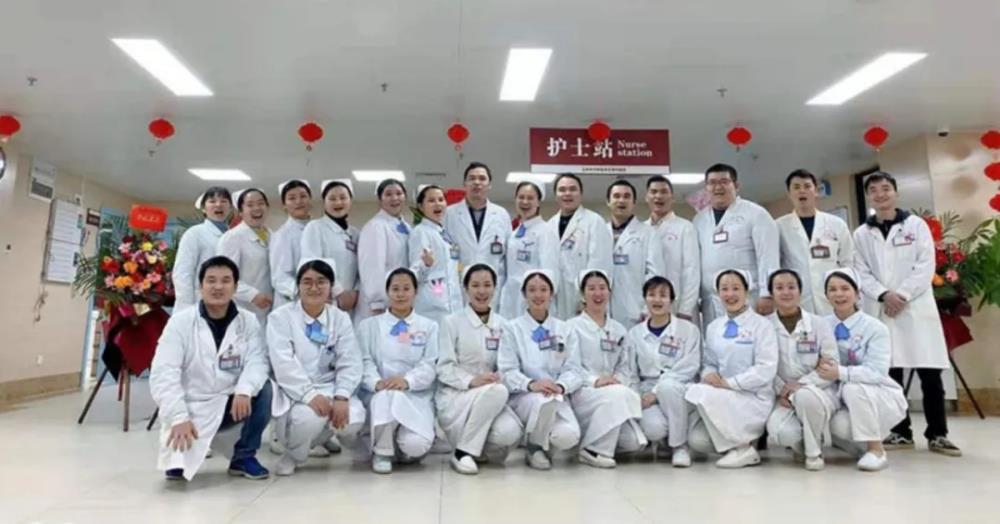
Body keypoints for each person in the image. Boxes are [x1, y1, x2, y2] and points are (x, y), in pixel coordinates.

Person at [852, 172, 961, 456]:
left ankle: (938, 434)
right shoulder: (861, 234)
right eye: (874, 190)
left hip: (915, 308)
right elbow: (860, 271)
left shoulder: (916, 226)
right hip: (882, 308)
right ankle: (900, 432)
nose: (880, 194)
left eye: (885, 188)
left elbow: (926, 265)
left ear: (896, 192)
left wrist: (901, 294)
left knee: (930, 374)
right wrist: (883, 295)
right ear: (868, 196)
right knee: (891, 374)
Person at [150, 256, 271, 481]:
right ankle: (180, 454)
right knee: (177, 468)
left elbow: (258, 361)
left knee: (265, 389)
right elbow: (163, 373)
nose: (218, 287)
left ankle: (244, 457)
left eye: (226, 281)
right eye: (211, 280)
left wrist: (245, 390)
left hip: (230, 401)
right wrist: (178, 416)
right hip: (191, 404)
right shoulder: (181, 323)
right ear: (201, 286)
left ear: (235, 287)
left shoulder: (248, 321)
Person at [267, 258, 366, 476]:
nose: (314, 288)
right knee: (308, 418)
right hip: (295, 391)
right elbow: (283, 363)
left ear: (331, 287)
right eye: (307, 282)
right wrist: (309, 395)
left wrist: (342, 395)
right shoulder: (280, 318)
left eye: (321, 282)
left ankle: (321, 438)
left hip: (331, 387)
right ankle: (294, 455)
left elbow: (350, 361)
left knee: (354, 417)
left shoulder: (340, 318)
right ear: (298, 286)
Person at [436, 264, 523, 475]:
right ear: (466, 289)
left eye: (487, 285)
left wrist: (499, 376)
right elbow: (444, 367)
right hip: (457, 395)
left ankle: (471, 449)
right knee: (497, 391)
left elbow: (509, 365)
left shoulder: (503, 325)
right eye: (475, 285)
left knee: (509, 432)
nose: (482, 291)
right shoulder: (451, 322)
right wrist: (471, 381)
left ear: (495, 287)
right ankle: (463, 452)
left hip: (491, 396)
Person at [685, 269, 778, 468]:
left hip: (753, 397)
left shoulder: (762, 326)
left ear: (747, 291)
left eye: (736, 288)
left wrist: (731, 383)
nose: (730, 294)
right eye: (724, 289)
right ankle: (741, 446)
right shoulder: (714, 327)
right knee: (697, 441)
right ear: (717, 293)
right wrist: (709, 374)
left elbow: (766, 368)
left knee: (698, 392)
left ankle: (743, 447)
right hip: (723, 395)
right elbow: (709, 362)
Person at [821, 268, 908, 471]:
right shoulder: (821, 325)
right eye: (832, 289)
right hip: (841, 396)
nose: (839, 294)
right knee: (839, 426)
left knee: (853, 388)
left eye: (845, 288)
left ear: (858, 293)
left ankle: (876, 450)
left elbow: (877, 372)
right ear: (826, 296)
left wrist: (841, 373)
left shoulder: (875, 328)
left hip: (877, 393)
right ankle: (855, 444)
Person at [498, 269, 583, 470]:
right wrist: (531, 384)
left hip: (556, 395)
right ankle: (534, 447)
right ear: (524, 294)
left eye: (543, 289)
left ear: (552, 294)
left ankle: (543, 444)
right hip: (524, 397)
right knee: (543, 402)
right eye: (532, 290)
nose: (538, 295)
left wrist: (560, 386)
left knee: (568, 436)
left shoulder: (565, 329)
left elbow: (575, 370)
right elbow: (507, 371)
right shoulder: (512, 328)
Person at [356, 268, 439, 474]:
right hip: (380, 394)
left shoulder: (429, 326)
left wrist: (407, 381)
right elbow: (364, 361)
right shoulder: (368, 326)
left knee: (416, 446)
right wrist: (376, 382)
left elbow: (430, 364)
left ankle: (403, 450)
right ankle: (383, 451)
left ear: (415, 292)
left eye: (406, 288)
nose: (400, 294)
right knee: (387, 396)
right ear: (387, 292)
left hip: (415, 396)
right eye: (395, 289)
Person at [568, 269, 646, 468]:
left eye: (602, 288)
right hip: (583, 392)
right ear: (582, 294)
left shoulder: (618, 329)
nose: (598, 293)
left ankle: (592, 439)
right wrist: (595, 381)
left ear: (610, 292)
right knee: (618, 394)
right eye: (591, 288)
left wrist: (616, 380)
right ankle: (594, 450)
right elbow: (570, 367)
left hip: (613, 391)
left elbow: (626, 367)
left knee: (634, 443)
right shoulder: (572, 327)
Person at [763, 269, 839, 471]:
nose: (786, 292)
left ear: (800, 291)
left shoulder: (819, 324)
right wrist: (782, 390)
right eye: (779, 288)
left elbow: (831, 363)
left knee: (805, 396)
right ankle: (801, 444)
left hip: (817, 390)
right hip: (781, 395)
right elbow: (762, 364)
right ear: (771, 293)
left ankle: (814, 453)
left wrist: (801, 385)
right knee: (782, 433)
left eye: (791, 287)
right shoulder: (764, 326)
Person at [693, 164, 779, 325]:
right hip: (711, 301)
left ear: (736, 185)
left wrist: (767, 294)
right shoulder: (699, 220)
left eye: (724, 181)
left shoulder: (756, 214)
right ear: (706, 188)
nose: (718, 187)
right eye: (712, 183)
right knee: (715, 339)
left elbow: (768, 256)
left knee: (748, 338)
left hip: (748, 298)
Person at [630, 276, 701, 468]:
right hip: (647, 391)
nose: (657, 300)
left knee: (668, 388)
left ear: (672, 300)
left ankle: (679, 446)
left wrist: (657, 392)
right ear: (645, 299)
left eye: (663, 295)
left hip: (680, 388)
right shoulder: (635, 334)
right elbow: (631, 371)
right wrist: (638, 397)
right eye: (651, 294)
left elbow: (690, 366)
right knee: (654, 429)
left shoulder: (689, 330)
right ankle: (664, 440)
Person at [776, 169, 853, 315]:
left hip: (833, 298)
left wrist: (846, 292)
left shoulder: (836, 224)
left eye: (807, 186)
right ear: (789, 194)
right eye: (796, 187)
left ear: (816, 191)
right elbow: (776, 265)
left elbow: (848, 262)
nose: (802, 191)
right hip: (797, 299)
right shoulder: (778, 227)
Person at [444, 162, 512, 309]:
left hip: (493, 288)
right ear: (464, 184)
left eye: (482, 178)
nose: (477, 182)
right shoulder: (449, 214)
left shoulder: (501, 215)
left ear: (489, 185)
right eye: (472, 178)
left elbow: (508, 256)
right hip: (460, 286)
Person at [548, 173, 613, 319]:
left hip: (584, 300)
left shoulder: (594, 221)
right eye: (562, 190)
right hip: (557, 299)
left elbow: (599, 263)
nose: (567, 193)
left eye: (573, 189)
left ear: (581, 194)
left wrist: (587, 298)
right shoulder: (549, 225)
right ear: (556, 195)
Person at [499, 181, 559, 319]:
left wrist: (540, 301)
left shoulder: (546, 231)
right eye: (521, 197)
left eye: (530, 198)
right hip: (511, 301)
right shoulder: (514, 233)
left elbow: (550, 274)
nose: (525, 202)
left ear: (538, 202)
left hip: (535, 302)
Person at [645, 175, 700, 320]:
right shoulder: (641, 229)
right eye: (654, 192)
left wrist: (686, 309)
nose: (658, 196)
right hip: (648, 307)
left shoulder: (685, 227)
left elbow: (691, 271)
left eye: (664, 192)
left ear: (673, 198)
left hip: (678, 306)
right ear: (646, 197)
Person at [357, 179, 411, 322]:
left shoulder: (406, 227)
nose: (394, 198)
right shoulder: (375, 226)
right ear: (380, 200)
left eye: (399, 193)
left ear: (405, 197)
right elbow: (371, 268)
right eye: (388, 194)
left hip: (400, 299)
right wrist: (377, 303)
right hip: (380, 306)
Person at [217, 188, 274, 325]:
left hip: (270, 308)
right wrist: (252, 295)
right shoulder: (232, 237)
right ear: (241, 212)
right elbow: (224, 276)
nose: (256, 208)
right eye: (250, 205)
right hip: (243, 308)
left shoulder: (272, 234)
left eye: (260, 203)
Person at [606, 180, 657, 327]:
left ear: (634, 203)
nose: (621, 200)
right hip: (603, 309)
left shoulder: (648, 233)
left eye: (627, 196)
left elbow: (655, 274)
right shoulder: (599, 231)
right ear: (608, 202)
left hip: (636, 310)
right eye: (616, 196)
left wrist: (647, 308)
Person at [410, 185, 463, 322]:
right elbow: (415, 272)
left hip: (452, 303)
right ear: (421, 207)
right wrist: (426, 264)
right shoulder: (420, 232)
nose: (438, 204)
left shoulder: (445, 234)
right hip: (432, 307)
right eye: (431, 200)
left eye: (441, 199)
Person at [173, 187, 232, 310]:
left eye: (224, 201)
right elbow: (182, 272)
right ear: (204, 208)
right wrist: (186, 306)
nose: (218, 205)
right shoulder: (194, 233)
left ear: (230, 207)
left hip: (226, 302)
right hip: (198, 301)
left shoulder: (233, 235)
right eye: (212, 201)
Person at [270, 179, 312, 310]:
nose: (298, 201)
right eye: (292, 198)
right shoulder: (282, 235)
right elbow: (279, 277)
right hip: (291, 303)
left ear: (310, 200)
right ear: (284, 205)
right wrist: (304, 292)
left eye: (303, 196)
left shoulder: (318, 228)